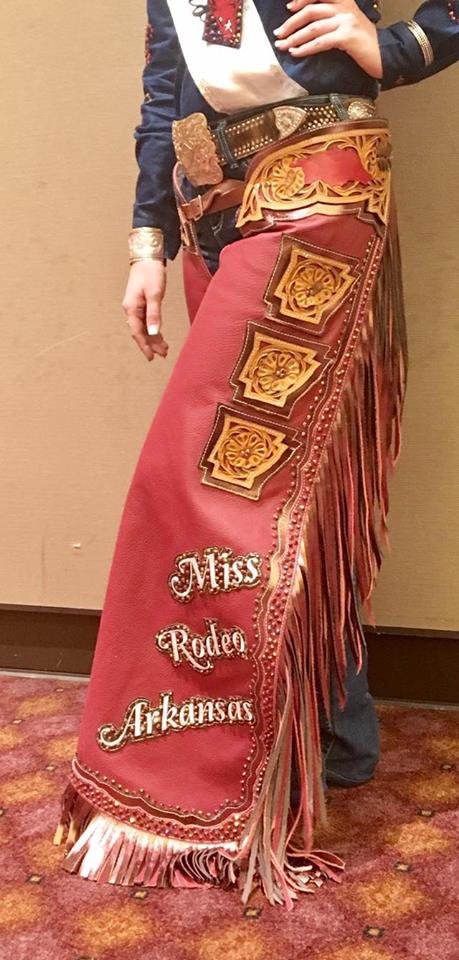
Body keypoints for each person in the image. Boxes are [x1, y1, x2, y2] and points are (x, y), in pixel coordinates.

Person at [53, 1, 459, 909]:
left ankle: (203, 780)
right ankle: (331, 739)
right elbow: (164, 92)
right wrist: (148, 243)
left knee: (211, 487)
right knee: (282, 488)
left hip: (320, 185)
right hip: (213, 214)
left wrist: (398, 46)